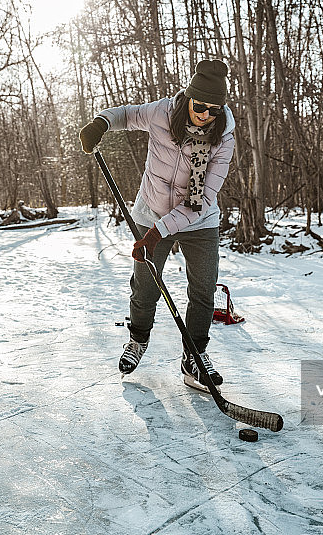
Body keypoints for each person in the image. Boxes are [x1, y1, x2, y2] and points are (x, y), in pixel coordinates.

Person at [78, 59, 235, 392]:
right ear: (189, 98)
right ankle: (137, 339)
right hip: (151, 210)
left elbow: (199, 201)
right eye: (200, 106)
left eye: (214, 109)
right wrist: (101, 123)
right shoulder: (162, 112)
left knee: (204, 290)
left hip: (199, 220)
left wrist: (156, 234)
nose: (205, 114)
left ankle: (194, 356)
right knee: (146, 284)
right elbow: (127, 114)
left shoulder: (223, 138)